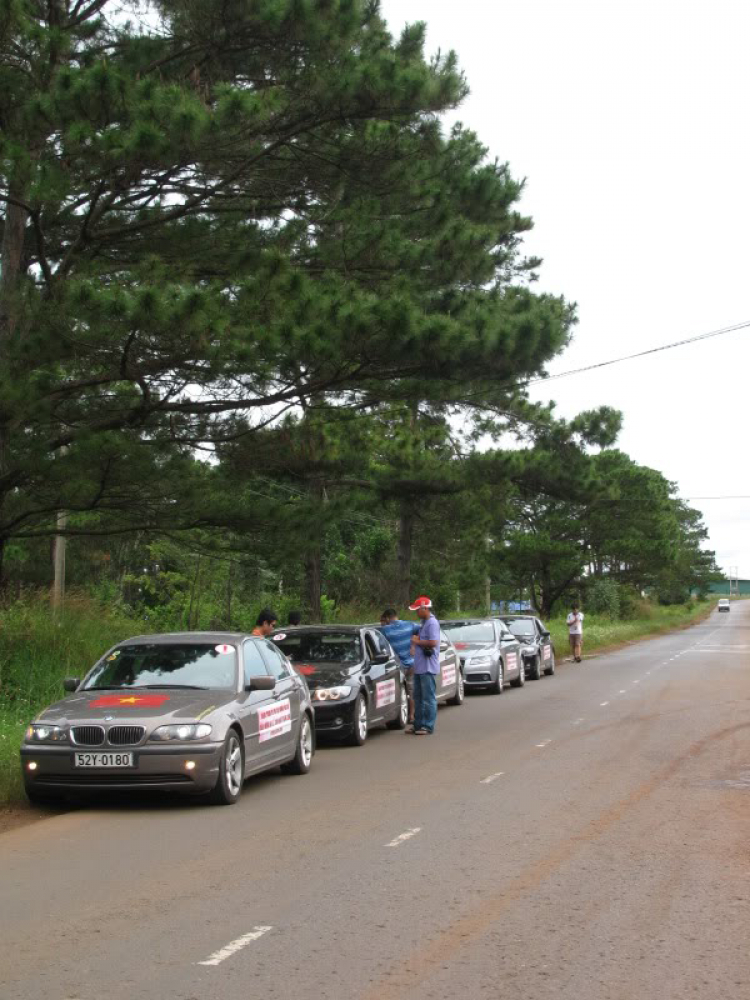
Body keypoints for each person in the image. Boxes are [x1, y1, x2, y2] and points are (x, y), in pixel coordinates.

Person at [379, 608, 418, 724]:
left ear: (386, 618)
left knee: (397, 691)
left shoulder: (385, 630)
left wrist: (382, 625)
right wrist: (414, 646)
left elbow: (381, 646)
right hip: (412, 664)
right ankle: (411, 716)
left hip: (397, 666)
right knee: (411, 690)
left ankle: (397, 716)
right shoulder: (410, 625)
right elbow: (422, 631)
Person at [408, 595, 440, 735]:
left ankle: (428, 726)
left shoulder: (432, 623)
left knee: (428, 698)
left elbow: (433, 642)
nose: (416, 612)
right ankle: (418, 724)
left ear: (424, 608)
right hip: (420, 666)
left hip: (428, 667)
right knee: (418, 697)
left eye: (417, 610)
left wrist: (417, 642)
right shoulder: (423, 622)